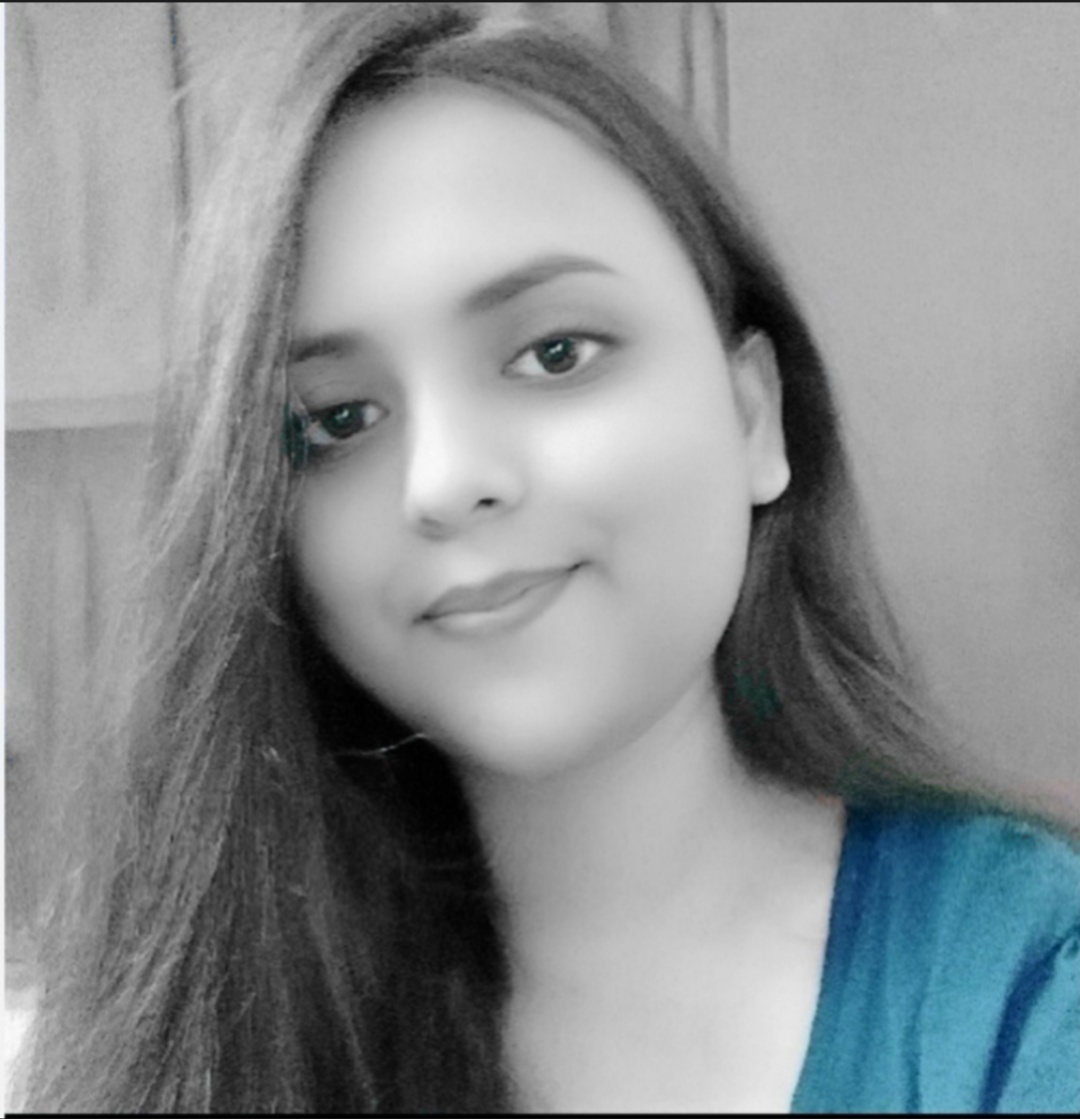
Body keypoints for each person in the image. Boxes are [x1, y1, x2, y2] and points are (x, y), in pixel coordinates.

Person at [16, 3, 1079, 1113]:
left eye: (555, 352)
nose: (443, 480)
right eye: (335, 422)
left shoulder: (1027, 992)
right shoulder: (185, 1022)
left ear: (753, 415)